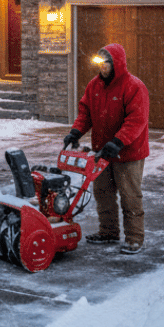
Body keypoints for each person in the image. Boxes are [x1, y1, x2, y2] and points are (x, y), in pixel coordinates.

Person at [63, 43, 150, 254]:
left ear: (117, 63)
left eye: (106, 63)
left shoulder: (133, 86)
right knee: (103, 194)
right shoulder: (94, 86)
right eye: (99, 63)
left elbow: (136, 120)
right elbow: (85, 113)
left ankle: (134, 238)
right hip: (103, 152)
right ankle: (108, 231)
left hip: (128, 153)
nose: (102, 67)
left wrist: (118, 142)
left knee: (130, 196)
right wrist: (76, 132)